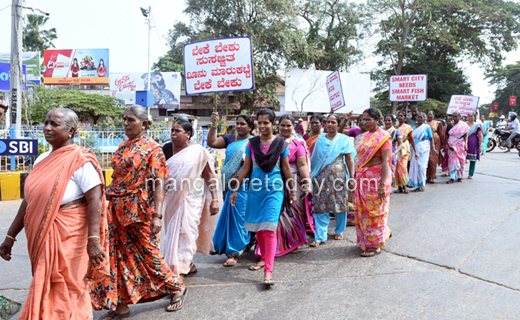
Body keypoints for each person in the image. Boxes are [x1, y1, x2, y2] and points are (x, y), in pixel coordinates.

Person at [0, 108, 109, 319]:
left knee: (68, 286)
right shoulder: (42, 158)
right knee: (45, 283)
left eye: (55, 124)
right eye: (46, 123)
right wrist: (10, 236)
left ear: (71, 130)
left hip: (70, 233)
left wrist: (94, 240)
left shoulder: (80, 159)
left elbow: (95, 199)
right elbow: (29, 202)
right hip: (42, 234)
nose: (47, 128)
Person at [91, 105, 185, 317]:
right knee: (119, 257)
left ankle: (176, 286)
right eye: (124, 119)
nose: (125, 124)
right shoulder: (123, 146)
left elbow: (159, 183)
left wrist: (157, 216)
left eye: (130, 120)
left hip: (141, 210)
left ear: (144, 124)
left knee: (149, 253)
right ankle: (121, 304)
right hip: (116, 210)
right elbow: (118, 178)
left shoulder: (153, 149)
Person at [230, 108, 296, 285]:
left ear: (273, 123)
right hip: (256, 189)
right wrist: (235, 189)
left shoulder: (281, 144)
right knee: (258, 228)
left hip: (275, 189)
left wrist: (293, 190)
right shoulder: (252, 144)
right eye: (260, 123)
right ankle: (265, 259)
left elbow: (286, 168)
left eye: (266, 122)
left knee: (269, 228)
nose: (263, 126)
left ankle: (268, 271)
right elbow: (246, 168)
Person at [162, 120, 219, 278]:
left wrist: (215, 199)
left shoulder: (199, 152)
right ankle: (187, 263)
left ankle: (178, 270)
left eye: (178, 131)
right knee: (172, 233)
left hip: (192, 197)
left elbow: (209, 176)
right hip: (171, 197)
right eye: (172, 130)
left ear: (189, 134)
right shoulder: (166, 148)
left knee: (187, 232)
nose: (173, 134)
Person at [207, 112, 254, 267]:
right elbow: (212, 142)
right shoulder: (229, 139)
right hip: (227, 182)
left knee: (239, 216)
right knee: (228, 214)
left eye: (242, 124)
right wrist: (214, 124)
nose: (239, 126)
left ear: (250, 127)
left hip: (244, 183)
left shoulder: (253, 142)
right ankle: (224, 244)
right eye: (237, 123)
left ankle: (234, 252)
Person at [266, 114, 312, 255]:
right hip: (273, 181)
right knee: (275, 213)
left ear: (293, 126)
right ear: (277, 125)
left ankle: (293, 241)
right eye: (283, 125)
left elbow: (303, 165)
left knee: (292, 213)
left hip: (293, 182)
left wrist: (307, 184)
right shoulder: (271, 141)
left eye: (289, 125)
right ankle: (275, 243)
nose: (285, 128)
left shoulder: (298, 142)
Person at [310, 114, 355, 246]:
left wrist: (352, 177)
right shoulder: (320, 139)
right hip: (320, 176)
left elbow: (349, 159)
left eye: (333, 122)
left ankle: (339, 230)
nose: (329, 124)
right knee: (320, 204)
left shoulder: (343, 139)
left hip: (339, 178)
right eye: (327, 122)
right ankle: (320, 236)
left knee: (339, 204)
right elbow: (314, 159)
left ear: (338, 124)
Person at [355, 108, 392, 257]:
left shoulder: (384, 137)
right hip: (363, 180)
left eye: (368, 119)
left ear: (377, 120)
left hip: (377, 181)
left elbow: (385, 161)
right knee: (364, 212)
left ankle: (375, 244)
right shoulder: (366, 136)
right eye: (363, 119)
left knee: (376, 212)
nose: (364, 122)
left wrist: (382, 185)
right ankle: (367, 240)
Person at [409, 113, 435, 191]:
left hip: (424, 148)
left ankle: (422, 184)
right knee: (415, 166)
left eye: (422, 117)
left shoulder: (427, 127)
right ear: (416, 119)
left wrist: (433, 148)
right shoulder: (413, 128)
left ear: (424, 119)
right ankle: (417, 185)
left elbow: (431, 138)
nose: (420, 119)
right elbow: (410, 139)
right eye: (419, 117)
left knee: (422, 167)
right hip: (414, 149)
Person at [394, 111, 417, 193]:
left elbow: (411, 139)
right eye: (398, 116)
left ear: (405, 118)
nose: (400, 117)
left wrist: (415, 151)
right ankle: (399, 187)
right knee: (397, 168)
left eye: (402, 116)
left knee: (403, 167)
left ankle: (404, 185)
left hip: (404, 147)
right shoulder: (394, 127)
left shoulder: (408, 127)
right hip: (396, 149)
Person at [446, 112, 469, 184]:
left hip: (460, 145)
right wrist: (449, 145)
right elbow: (447, 136)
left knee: (461, 160)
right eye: (453, 117)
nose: (454, 118)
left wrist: (465, 145)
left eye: (456, 117)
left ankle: (460, 176)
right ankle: (452, 177)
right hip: (452, 145)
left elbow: (465, 136)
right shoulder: (449, 126)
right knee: (453, 161)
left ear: (460, 117)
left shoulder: (463, 125)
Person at [426, 111, 445, 183]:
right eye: (428, 114)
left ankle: (432, 177)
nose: (430, 116)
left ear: (433, 116)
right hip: (426, 142)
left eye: (431, 114)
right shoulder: (424, 123)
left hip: (436, 141)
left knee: (432, 159)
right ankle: (427, 176)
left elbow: (441, 134)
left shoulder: (437, 123)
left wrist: (443, 144)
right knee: (427, 158)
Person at [384, 114, 403, 184]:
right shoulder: (381, 131)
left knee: (391, 170)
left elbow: (401, 144)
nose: (387, 122)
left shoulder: (396, 131)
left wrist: (395, 152)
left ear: (393, 121)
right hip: (382, 152)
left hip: (392, 151)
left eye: (389, 120)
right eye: (385, 120)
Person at [466, 113, 484, 179]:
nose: (470, 117)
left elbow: (480, 136)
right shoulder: (464, 124)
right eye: (469, 116)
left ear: (474, 117)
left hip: (473, 144)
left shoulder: (477, 125)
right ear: (467, 117)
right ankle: (459, 173)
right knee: (461, 158)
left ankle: (471, 174)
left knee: (473, 159)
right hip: (463, 143)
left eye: (472, 116)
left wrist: (481, 145)